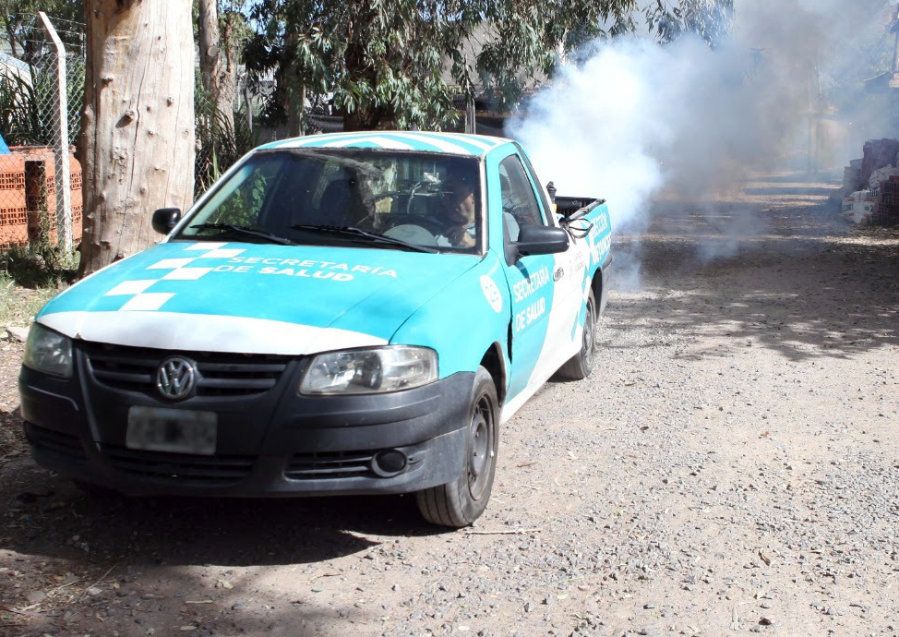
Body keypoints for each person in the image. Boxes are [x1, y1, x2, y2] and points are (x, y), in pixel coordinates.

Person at [437, 173, 478, 248]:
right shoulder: (435, 226)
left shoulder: (495, 226)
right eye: (444, 195)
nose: (446, 201)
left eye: (453, 195)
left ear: (474, 195)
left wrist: (473, 244)